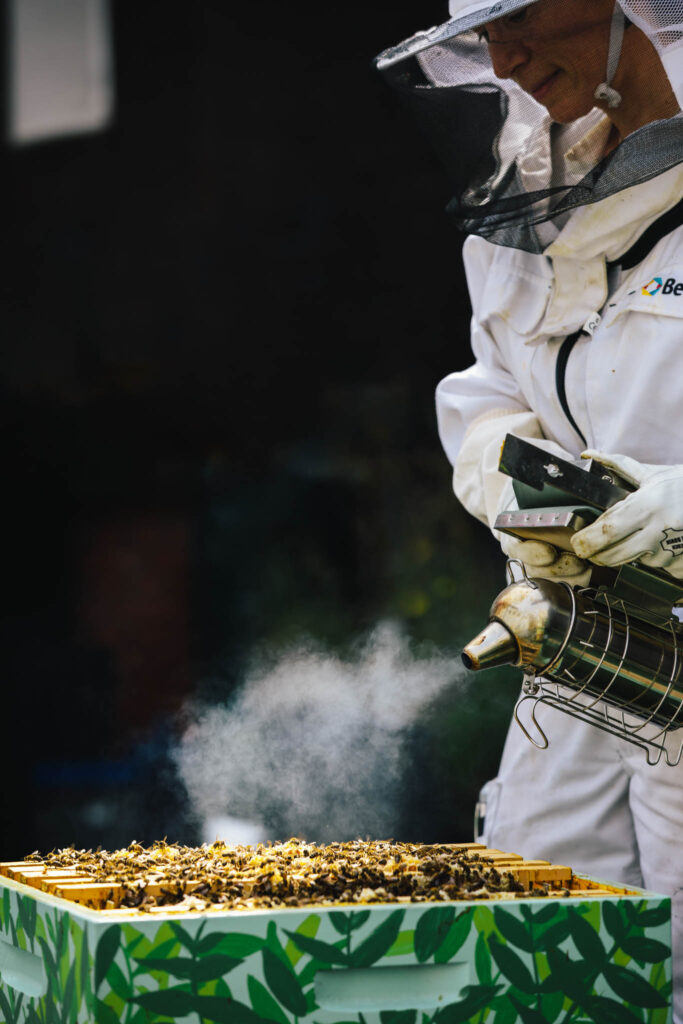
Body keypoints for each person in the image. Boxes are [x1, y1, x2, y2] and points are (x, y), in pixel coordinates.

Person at [376, 0, 683, 1019]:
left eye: (525, 17)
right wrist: (501, 472)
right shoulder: (522, 184)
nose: (501, 57)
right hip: (581, 659)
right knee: (535, 957)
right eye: (482, 32)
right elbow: (489, 383)